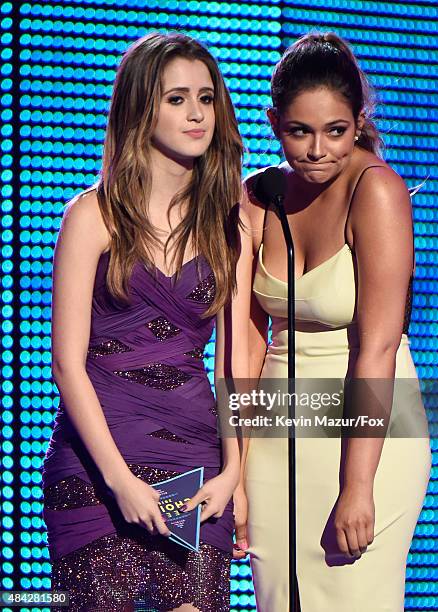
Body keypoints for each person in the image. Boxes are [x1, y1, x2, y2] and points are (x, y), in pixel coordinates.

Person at [41, 31, 251, 612]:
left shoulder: (229, 225)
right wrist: (119, 480)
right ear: (141, 107)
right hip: (96, 465)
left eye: (207, 99)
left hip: (195, 464)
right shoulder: (92, 215)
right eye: (177, 98)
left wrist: (234, 470)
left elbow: (234, 367)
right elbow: (67, 364)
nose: (197, 114)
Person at [234, 32, 431, 611]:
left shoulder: (378, 192)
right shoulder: (256, 197)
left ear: (357, 120)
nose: (318, 149)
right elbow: (243, 345)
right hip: (274, 428)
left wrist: (358, 485)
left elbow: (377, 351)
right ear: (273, 122)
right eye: (299, 131)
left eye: (336, 131)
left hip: (369, 434)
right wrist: (236, 469)